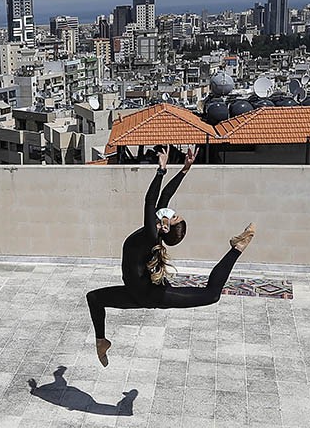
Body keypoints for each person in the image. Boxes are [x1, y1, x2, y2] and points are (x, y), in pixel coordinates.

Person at [86, 145, 256, 366]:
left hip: (152, 296)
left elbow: (149, 201)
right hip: (134, 293)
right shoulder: (156, 228)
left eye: (173, 216)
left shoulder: (150, 234)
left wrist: (161, 170)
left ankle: (236, 247)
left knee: (212, 295)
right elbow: (165, 195)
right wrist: (185, 169)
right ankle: (101, 341)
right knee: (94, 298)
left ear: (165, 228)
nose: (171, 212)